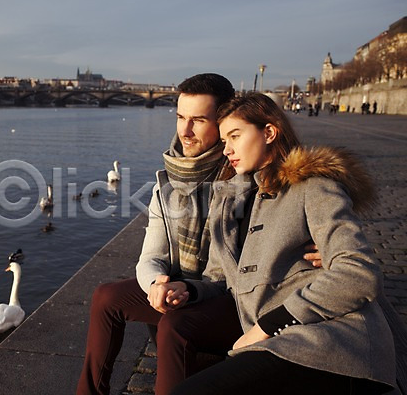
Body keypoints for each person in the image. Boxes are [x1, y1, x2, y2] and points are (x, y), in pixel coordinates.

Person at [76, 75, 322, 395]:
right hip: (187, 287)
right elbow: (151, 255)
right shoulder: (169, 180)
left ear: (223, 122)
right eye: (180, 117)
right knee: (106, 297)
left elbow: (301, 216)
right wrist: (157, 285)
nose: (185, 130)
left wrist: (324, 249)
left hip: (233, 295)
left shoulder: (246, 173)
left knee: (175, 325)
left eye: (198, 120)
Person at [171, 93, 401, 395]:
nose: (226, 149)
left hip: (330, 342)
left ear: (269, 132)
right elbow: (221, 278)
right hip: (279, 341)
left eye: (235, 136)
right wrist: (188, 289)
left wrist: (267, 326)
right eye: (224, 140)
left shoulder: (312, 186)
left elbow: (359, 274)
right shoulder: (229, 200)